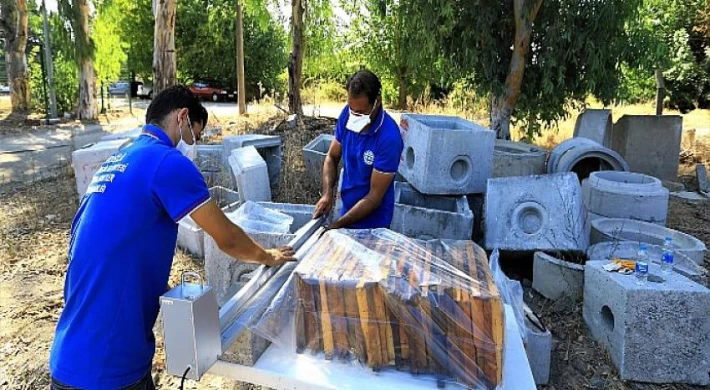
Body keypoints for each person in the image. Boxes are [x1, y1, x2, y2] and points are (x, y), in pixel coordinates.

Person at [49, 86, 295, 390]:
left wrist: (174, 297)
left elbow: (107, 248)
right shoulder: (167, 162)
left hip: (69, 357)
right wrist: (267, 257)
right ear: (182, 117)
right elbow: (227, 238)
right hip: (110, 367)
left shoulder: (118, 162)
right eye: (194, 135)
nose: (192, 144)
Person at [313, 69, 404, 229]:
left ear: (377, 101)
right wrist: (327, 194)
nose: (355, 116)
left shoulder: (389, 138)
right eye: (351, 109)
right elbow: (332, 157)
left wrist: (338, 224)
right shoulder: (347, 116)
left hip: (374, 224)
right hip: (347, 211)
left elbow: (374, 198)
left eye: (361, 112)